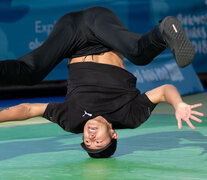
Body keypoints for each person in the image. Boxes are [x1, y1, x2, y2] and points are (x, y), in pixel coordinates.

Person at [0, 6, 204, 158]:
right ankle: (164, 31)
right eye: (97, 142)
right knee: (137, 54)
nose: (90, 138)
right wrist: (178, 104)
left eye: (87, 142)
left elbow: (27, 110)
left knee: (30, 72)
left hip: (70, 35)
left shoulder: (71, 121)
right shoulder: (130, 117)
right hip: (101, 29)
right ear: (113, 134)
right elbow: (165, 90)